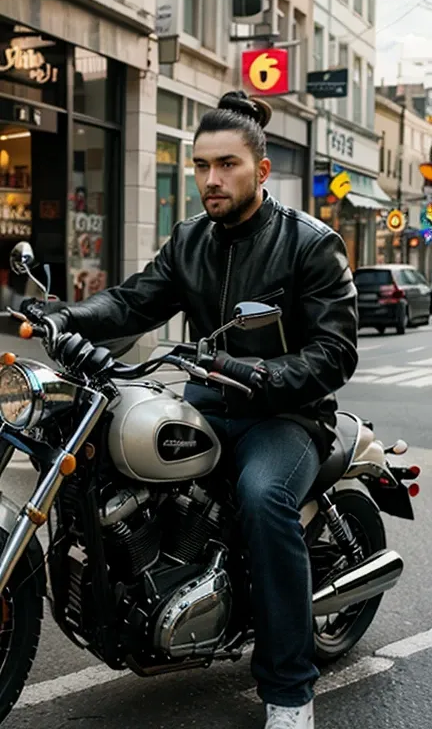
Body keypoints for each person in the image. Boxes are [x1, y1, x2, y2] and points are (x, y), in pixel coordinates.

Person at [22, 90, 358, 728]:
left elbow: (336, 353)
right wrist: (63, 317)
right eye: (201, 165)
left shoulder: (310, 244)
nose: (210, 179)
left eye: (226, 164)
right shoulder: (191, 239)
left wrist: (256, 372)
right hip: (208, 401)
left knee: (263, 498)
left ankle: (289, 692)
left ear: (260, 171)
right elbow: (133, 302)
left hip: (285, 415)